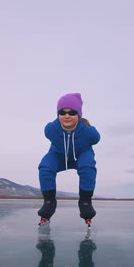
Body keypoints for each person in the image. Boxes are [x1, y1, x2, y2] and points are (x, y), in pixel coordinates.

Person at [37, 93, 101, 222]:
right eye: (62, 112)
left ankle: (85, 202)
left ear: (79, 114)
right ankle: (49, 202)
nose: (67, 116)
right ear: (58, 114)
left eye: (72, 112)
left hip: (81, 155)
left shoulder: (89, 133)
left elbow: (96, 139)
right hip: (59, 155)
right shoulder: (51, 129)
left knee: (87, 166)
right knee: (45, 166)